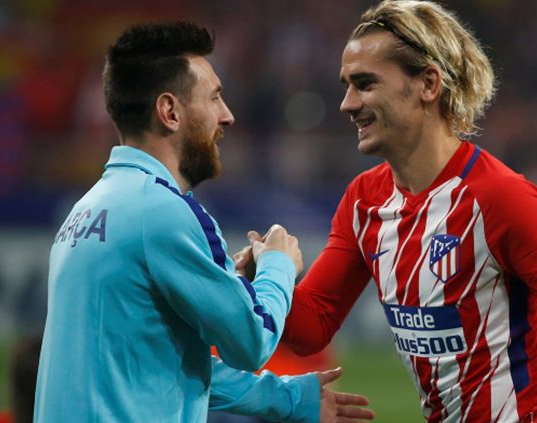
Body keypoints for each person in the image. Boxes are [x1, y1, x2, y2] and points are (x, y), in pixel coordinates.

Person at [236, 1, 537, 421]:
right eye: (347, 85)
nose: (346, 103)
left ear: (428, 85)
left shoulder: (502, 198)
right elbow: (314, 326)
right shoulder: (364, 201)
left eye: (364, 83)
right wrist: (268, 273)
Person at [34, 21, 374, 423]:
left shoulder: (87, 210)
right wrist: (278, 265)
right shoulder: (163, 210)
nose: (226, 116)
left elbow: (165, 361)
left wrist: (288, 398)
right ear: (170, 111)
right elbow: (253, 339)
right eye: (213, 97)